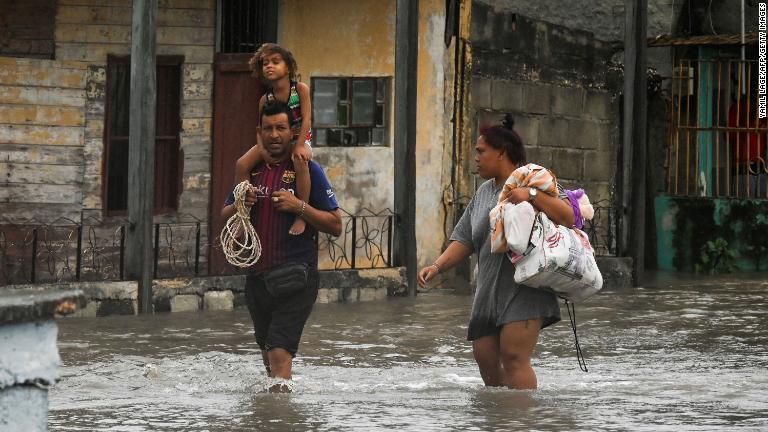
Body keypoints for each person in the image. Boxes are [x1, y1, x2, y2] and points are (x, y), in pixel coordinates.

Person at [417, 114, 575, 390]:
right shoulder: (483, 193)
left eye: (481, 151)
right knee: (485, 358)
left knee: (514, 357)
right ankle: (500, 421)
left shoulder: (534, 179)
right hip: (488, 292)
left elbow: (569, 216)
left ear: (501, 152)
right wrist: (437, 266)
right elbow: (465, 238)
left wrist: (533, 197)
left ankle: (521, 422)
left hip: (525, 289)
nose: (476, 158)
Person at [221, 100, 341, 392]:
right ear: (259, 132)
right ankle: (273, 414)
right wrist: (241, 204)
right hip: (258, 277)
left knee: (278, 351)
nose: (274, 134)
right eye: (268, 128)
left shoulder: (307, 169)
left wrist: (299, 207)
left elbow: (335, 224)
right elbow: (223, 217)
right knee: (267, 355)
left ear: (292, 132)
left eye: (281, 128)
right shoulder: (252, 170)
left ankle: (281, 418)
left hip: (296, 276)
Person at [236, 43, 313, 236]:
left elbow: (307, 119)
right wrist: (262, 151)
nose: (269, 66)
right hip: (272, 142)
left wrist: (300, 145)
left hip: (299, 138)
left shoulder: (300, 89)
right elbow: (260, 129)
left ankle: (301, 214)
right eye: (265, 63)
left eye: (275, 62)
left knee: (300, 162)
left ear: (288, 67)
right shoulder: (265, 99)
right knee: (242, 164)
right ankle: (242, 215)